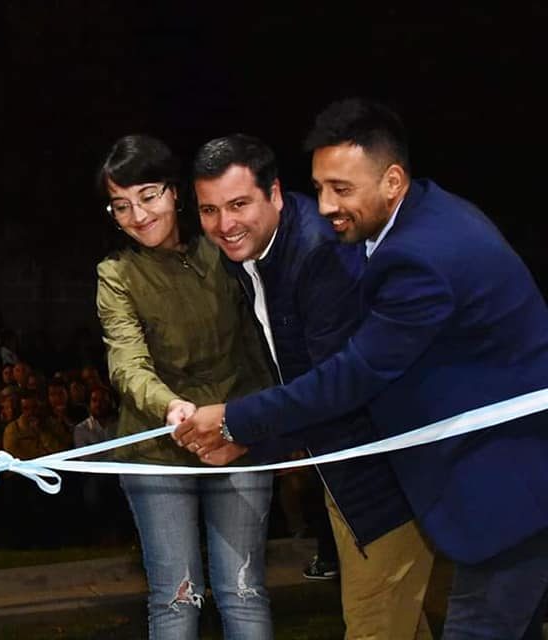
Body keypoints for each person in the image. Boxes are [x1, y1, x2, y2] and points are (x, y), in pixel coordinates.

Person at [175, 98, 548, 639]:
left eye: (342, 189)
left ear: (393, 180)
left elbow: (350, 377)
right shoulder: (421, 218)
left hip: (512, 490)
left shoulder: (418, 258)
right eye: (321, 186)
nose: (325, 205)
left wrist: (235, 421)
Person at [192, 134, 434, 638]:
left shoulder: (321, 254)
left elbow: (335, 386)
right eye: (209, 210)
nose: (224, 224)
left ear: (274, 194)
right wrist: (245, 438)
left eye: (238, 204)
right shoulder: (253, 255)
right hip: (345, 471)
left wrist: (238, 424)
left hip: (389, 476)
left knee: (373, 626)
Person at [95, 135, 277, 638]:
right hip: (157, 450)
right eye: (121, 206)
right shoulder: (117, 274)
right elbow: (127, 364)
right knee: (177, 599)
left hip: (236, 436)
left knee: (243, 592)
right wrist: (173, 408)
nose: (138, 214)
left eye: (148, 195)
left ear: (175, 193)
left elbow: (259, 345)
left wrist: (248, 420)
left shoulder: (225, 249)